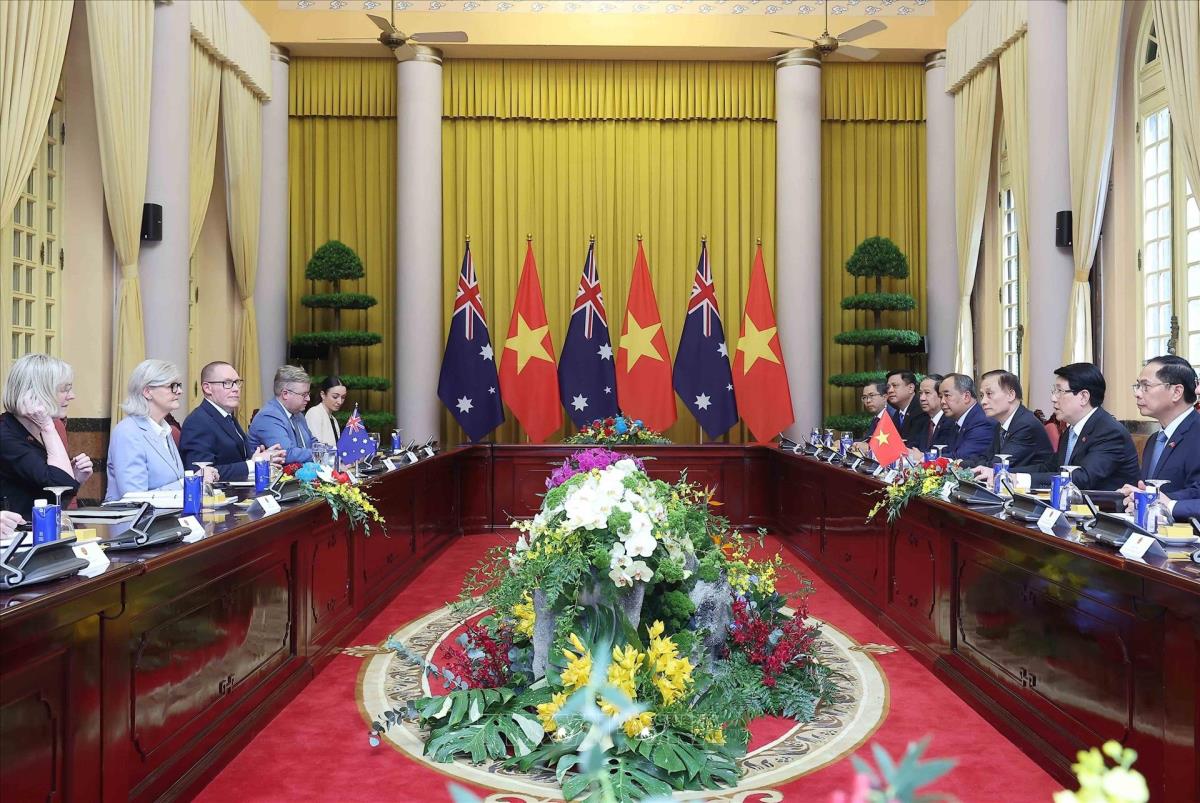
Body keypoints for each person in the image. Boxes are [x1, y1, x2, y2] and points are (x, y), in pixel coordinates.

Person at [1011, 363, 1139, 491]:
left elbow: (1082, 478)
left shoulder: (1110, 432)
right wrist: (1007, 474)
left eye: (1060, 391)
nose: (1053, 398)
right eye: (1054, 391)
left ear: (1083, 397)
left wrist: (1023, 480)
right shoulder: (1071, 430)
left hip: (1103, 503)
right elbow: (1049, 468)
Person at [107, 360, 217, 501]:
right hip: (134, 515)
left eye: (179, 386)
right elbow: (134, 497)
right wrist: (190, 482)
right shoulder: (127, 432)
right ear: (147, 392)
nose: (180, 391)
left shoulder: (164, 430)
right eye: (172, 386)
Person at [0, 354, 92, 518]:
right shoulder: (5, 435)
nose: (72, 395)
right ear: (37, 393)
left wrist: (75, 478)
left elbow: (54, 497)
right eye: (64, 389)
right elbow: (60, 485)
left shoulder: (36, 431)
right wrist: (48, 426)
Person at [1119, 356, 1200, 514]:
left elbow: (1196, 492)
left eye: (1146, 386)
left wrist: (1152, 499)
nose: (1137, 393)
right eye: (1138, 386)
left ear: (1176, 392)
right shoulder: (1154, 440)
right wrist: (1136, 495)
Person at [179, 361, 285, 481]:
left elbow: (238, 459)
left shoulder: (227, 416)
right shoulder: (198, 422)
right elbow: (200, 473)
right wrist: (252, 464)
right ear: (207, 388)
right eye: (227, 383)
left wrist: (261, 456)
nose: (236, 389)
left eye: (237, 383)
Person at [968, 370, 1055, 476]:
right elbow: (986, 457)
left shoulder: (1026, 425)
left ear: (1011, 395)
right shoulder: (1001, 424)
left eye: (989, 394)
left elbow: (998, 465)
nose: (983, 401)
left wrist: (965, 465)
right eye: (982, 395)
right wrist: (960, 463)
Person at [249, 365, 315, 463]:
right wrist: (321, 453)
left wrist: (330, 450)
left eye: (308, 394)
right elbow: (287, 454)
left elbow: (312, 442)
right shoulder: (268, 417)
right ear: (285, 394)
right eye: (304, 395)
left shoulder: (298, 414)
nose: (308, 399)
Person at [937, 374, 996, 461]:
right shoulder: (953, 421)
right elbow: (947, 451)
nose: (942, 402)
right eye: (940, 397)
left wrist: (925, 457)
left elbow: (962, 456)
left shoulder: (982, 421)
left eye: (947, 395)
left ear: (966, 397)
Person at [885, 370, 929, 449]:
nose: (890, 390)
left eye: (895, 386)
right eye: (888, 387)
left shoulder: (921, 410)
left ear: (911, 388)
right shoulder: (897, 414)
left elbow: (913, 445)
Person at [305, 375, 348, 447]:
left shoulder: (333, 419)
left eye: (343, 397)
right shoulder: (314, 413)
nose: (340, 402)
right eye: (335, 397)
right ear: (323, 395)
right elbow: (316, 447)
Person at [851, 381, 891, 455]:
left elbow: (893, 447)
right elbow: (866, 440)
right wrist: (846, 443)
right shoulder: (876, 418)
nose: (868, 401)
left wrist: (869, 448)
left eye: (871, 395)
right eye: (864, 397)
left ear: (885, 397)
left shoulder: (893, 416)